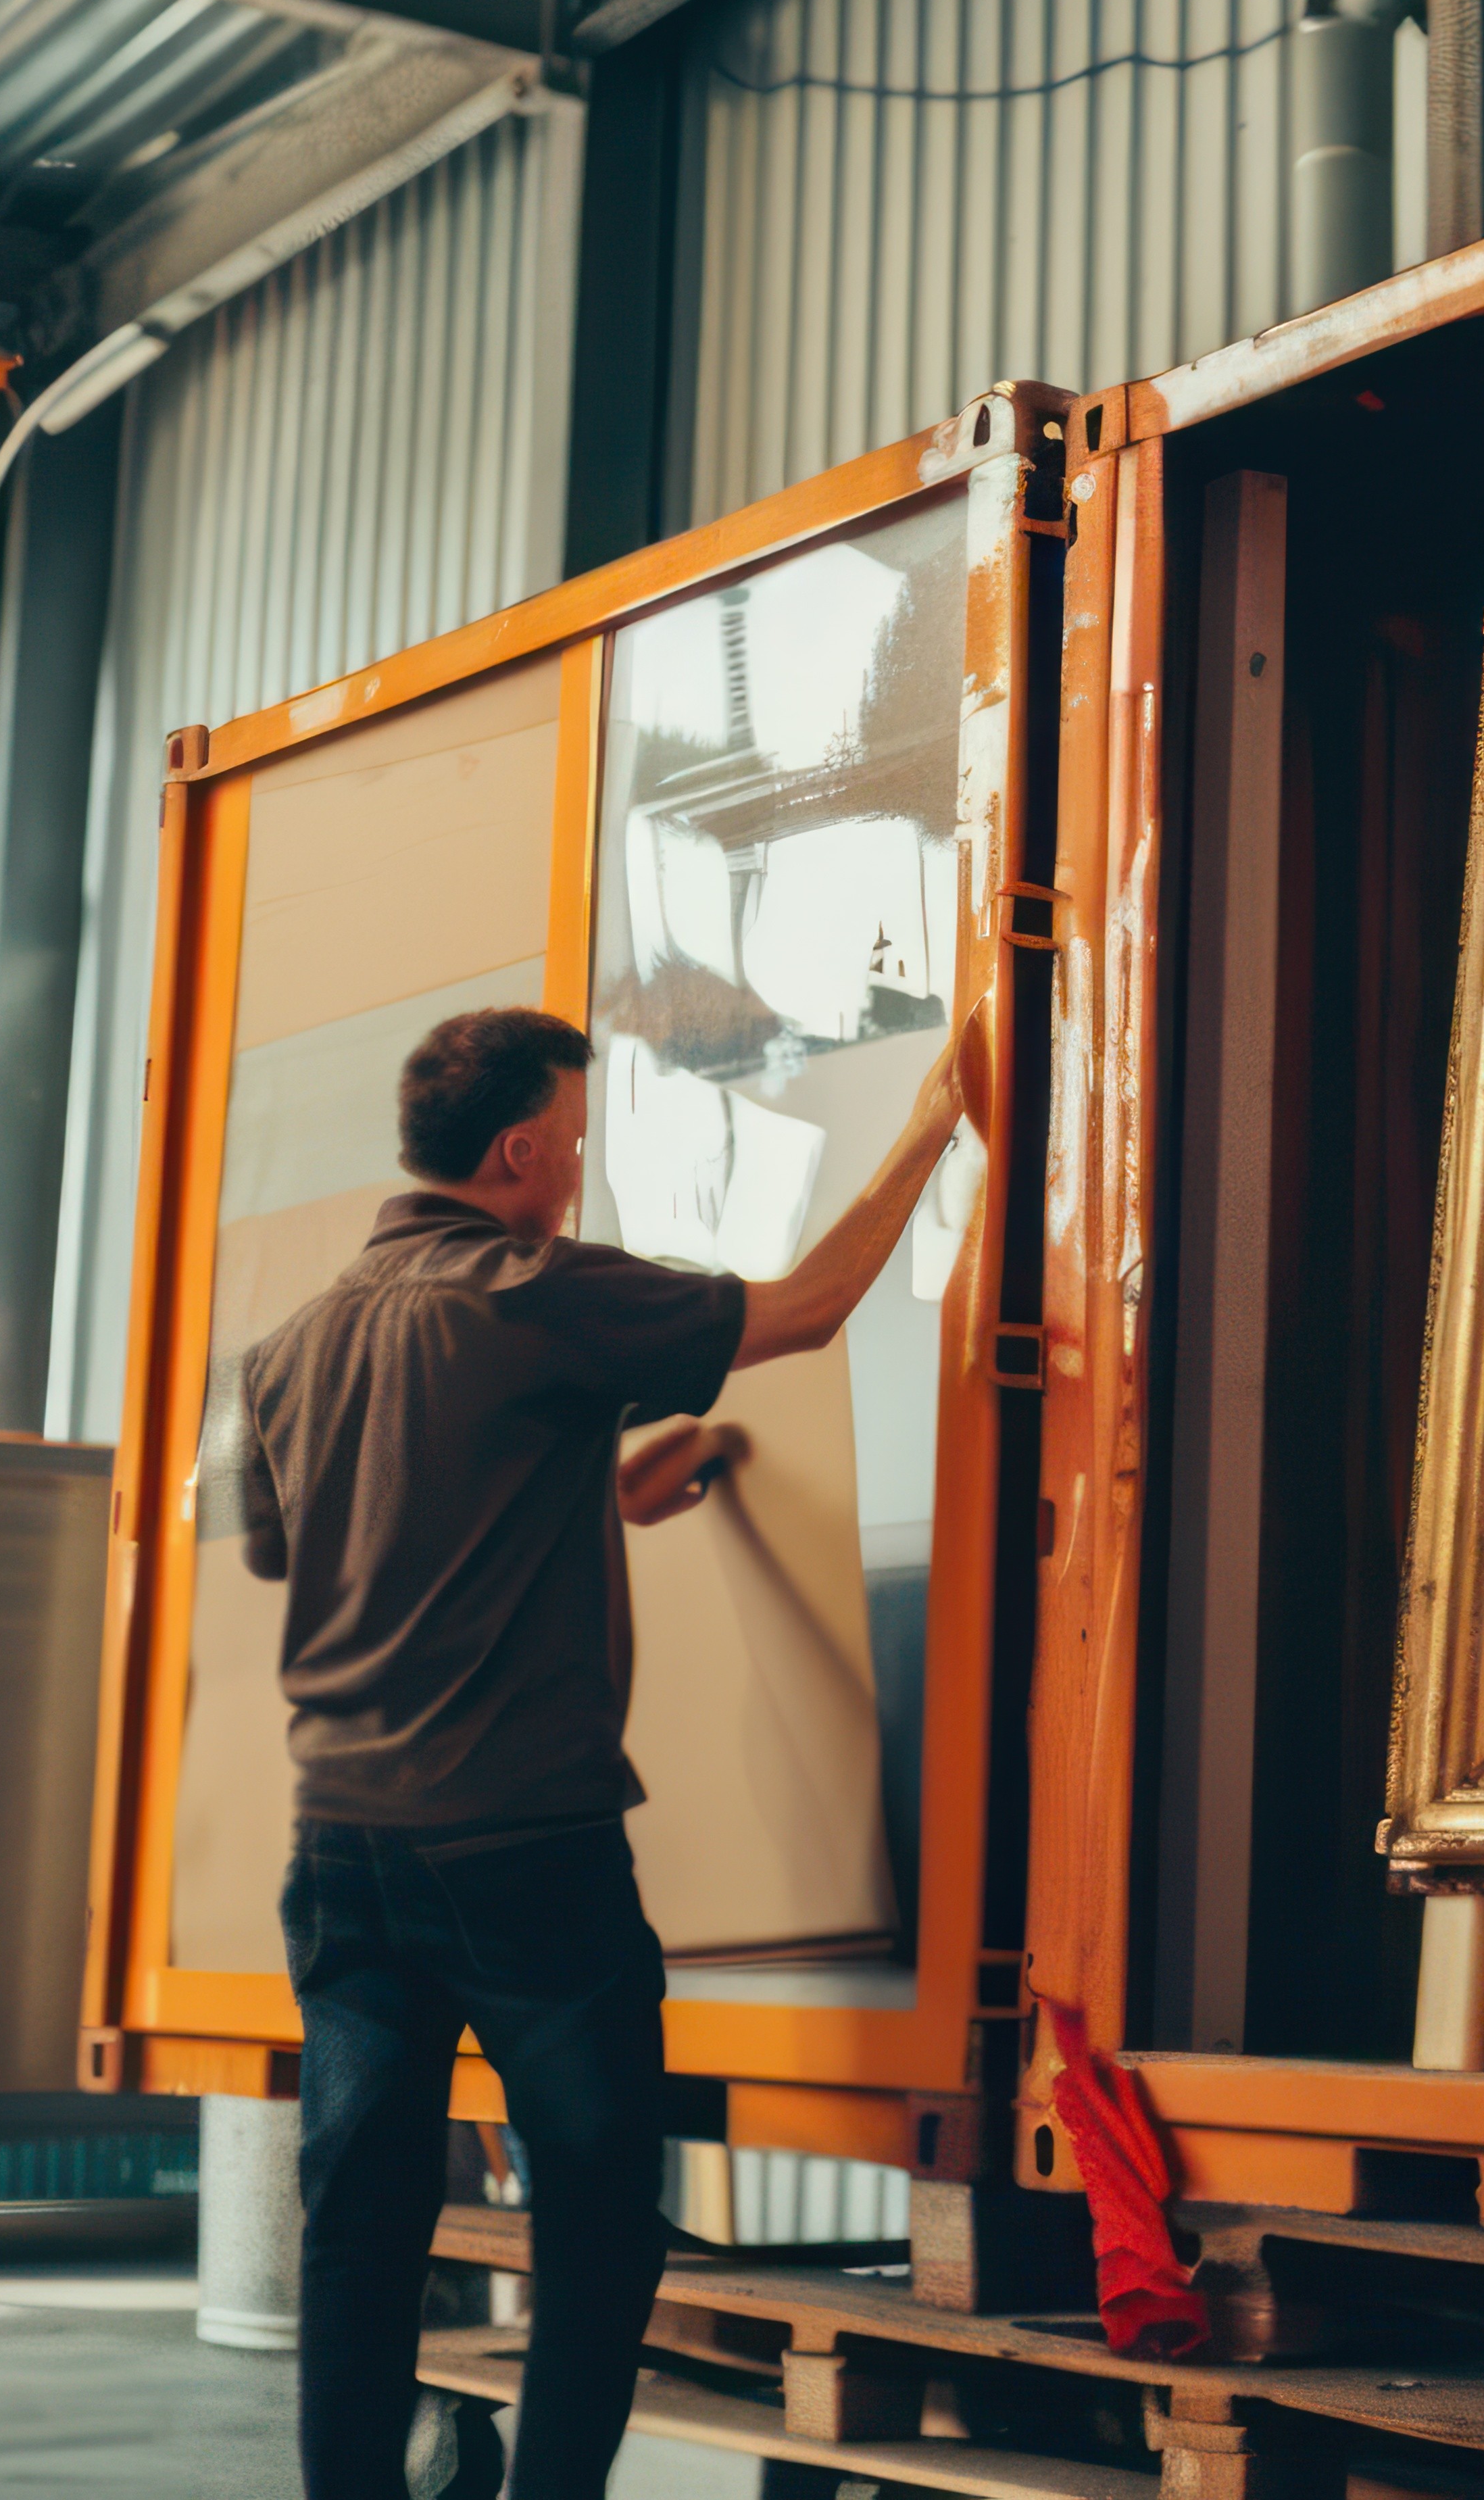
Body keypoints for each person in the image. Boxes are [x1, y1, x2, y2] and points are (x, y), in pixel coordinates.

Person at [233, 1002, 973, 2499]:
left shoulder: (290, 1347)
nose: (577, 1164)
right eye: (573, 1138)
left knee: (361, 2227)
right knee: (593, 2218)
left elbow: (312, 1546)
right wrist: (931, 1121)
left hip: (342, 1858)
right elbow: (809, 1309)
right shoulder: (535, 1294)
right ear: (520, 1150)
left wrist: (580, 1488)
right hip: (524, 1853)